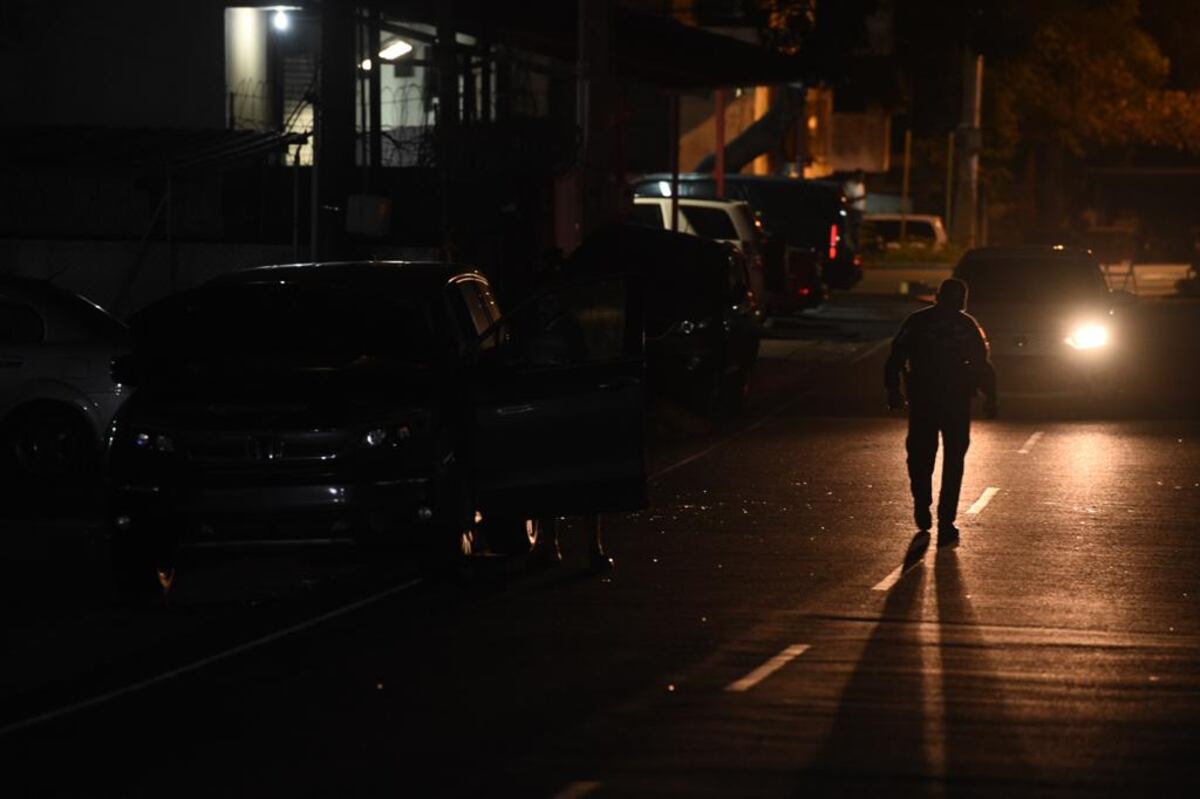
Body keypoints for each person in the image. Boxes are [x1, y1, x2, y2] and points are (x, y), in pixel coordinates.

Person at [884, 278, 997, 547]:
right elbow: (982, 365)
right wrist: (991, 398)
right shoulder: (966, 325)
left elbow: (895, 359)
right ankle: (945, 518)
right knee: (952, 461)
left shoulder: (918, 322)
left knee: (921, 456)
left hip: (926, 400)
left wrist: (894, 391)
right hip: (954, 402)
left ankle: (924, 503)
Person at [841, 169, 868, 250]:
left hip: (859, 210)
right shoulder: (849, 185)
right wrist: (859, 198)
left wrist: (863, 208)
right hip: (852, 210)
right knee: (852, 230)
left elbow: (862, 198)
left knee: (858, 230)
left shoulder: (861, 185)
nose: (862, 179)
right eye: (860, 177)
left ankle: (856, 248)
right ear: (856, 176)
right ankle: (852, 248)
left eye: (863, 177)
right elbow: (847, 199)